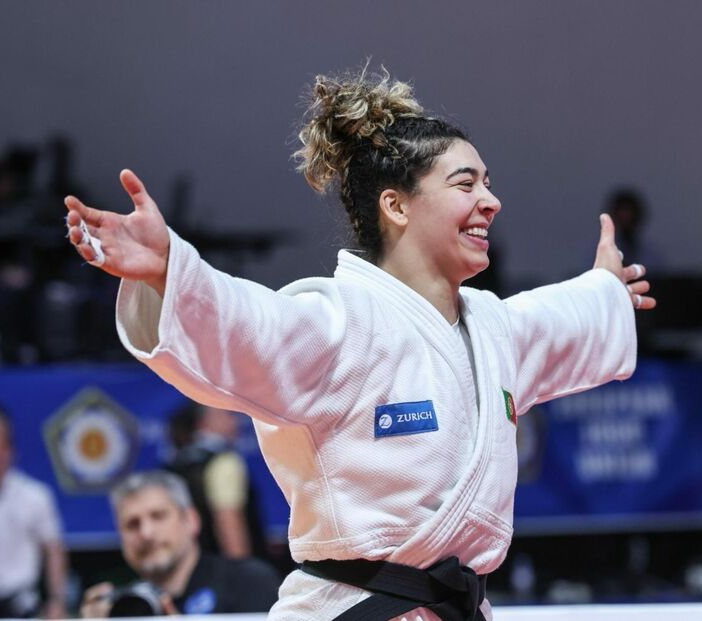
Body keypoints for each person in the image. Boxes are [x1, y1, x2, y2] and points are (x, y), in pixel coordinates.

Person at [64, 68, 655, 620]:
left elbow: (558, 319)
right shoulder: (339, 323)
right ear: (395, 204)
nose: (491, 201)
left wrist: (605, 291)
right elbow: (247, 322)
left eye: (490, 184)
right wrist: (168, 270)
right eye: (465, 183)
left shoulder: (494, 328)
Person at [79, 470, 280, 617]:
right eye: (132, 525)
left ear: (191, 521)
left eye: (158, 516)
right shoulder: (128, 608)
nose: (146, 533)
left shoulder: (247, 582)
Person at [165, 403, 270, 560]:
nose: (235, 420)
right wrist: (242, 570)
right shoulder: (225, 462)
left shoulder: (174, 466)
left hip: (191, 570)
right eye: (227, 414)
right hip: (227, 572)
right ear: (203, 423)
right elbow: (228, 519)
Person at [0, 405, 67, 619]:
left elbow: (53, 550)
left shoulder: (34, 496)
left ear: (9, 450)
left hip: (20, 604)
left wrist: (57, 601)